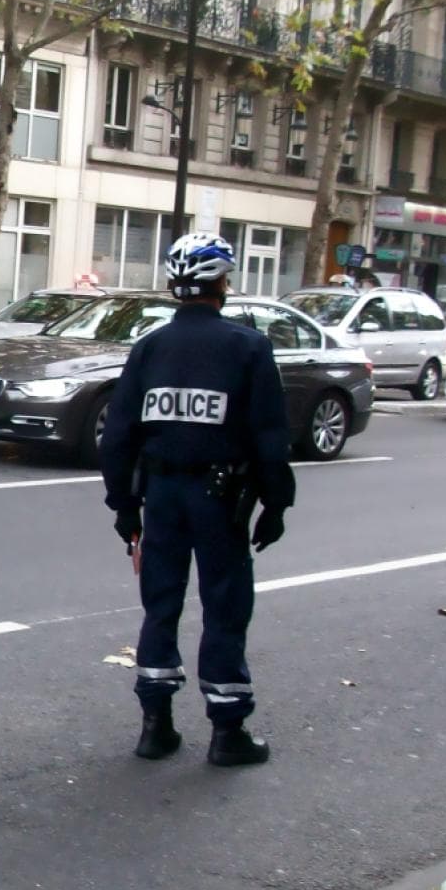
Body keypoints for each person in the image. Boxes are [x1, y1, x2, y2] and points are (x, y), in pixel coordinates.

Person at [98, 233, 294, 768]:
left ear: (175, 286)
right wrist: (276, 503)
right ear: (221, 283)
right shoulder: (248, 347)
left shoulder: (150, 348)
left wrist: (124, 506)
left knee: (161, 603)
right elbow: (270, 435)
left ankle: (155, 726)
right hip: (220, 496)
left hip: (160, 495)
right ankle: (228, 732)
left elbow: (118, 436)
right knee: (225, 606)